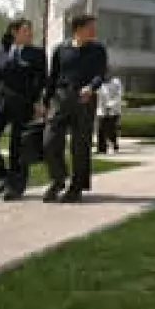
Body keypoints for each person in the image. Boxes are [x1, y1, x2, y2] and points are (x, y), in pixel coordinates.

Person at [0, 18, 46, 201]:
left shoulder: (37, 54)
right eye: (26, 30)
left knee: (18, 148)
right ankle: (3, 176)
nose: (30, 33)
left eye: (30, 30)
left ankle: (17, 186)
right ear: (14, 32)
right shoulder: (0, 51)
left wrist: (38, 102)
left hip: (23, 105)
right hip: (0, 104)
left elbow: (41, 80)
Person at [42, 14, 108, 203]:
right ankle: (58, 179)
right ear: (78, 29)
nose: (94, 31)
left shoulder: (98, 50)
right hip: (61, 98)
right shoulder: (60, 50)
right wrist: (45, 102)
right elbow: (52, 78)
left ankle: (76, 187)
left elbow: (101, 74)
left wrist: (91, 87)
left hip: (84, 100)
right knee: (50, 141)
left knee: (80, 146)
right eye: (90, 27)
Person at [96, 76, 123, 154]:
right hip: (102, 110)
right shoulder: (99, 83)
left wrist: (110, 105)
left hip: (114, 111)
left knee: (111, 129)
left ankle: (114, 144)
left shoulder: (116, 82)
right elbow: (99, 97)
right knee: (100, 129)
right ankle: (101, 149)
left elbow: (118, 95)